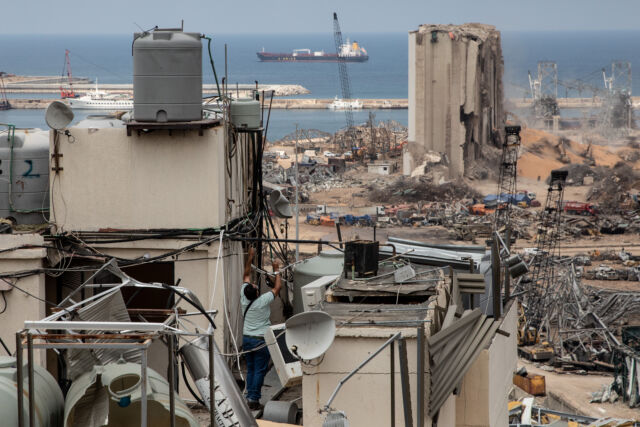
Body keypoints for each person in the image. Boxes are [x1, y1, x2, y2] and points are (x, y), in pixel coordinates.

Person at [240, 247, 282, 410]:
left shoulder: (244, 296)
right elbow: (277, 288)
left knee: (250, 369)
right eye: (256, 286)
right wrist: (277, 270)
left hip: (247, 339)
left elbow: (246, 274)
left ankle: (250, 395)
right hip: (260, 341)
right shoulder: (262, 300)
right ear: (257, 293)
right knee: (259, 370)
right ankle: (254, 400)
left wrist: (250, 257)